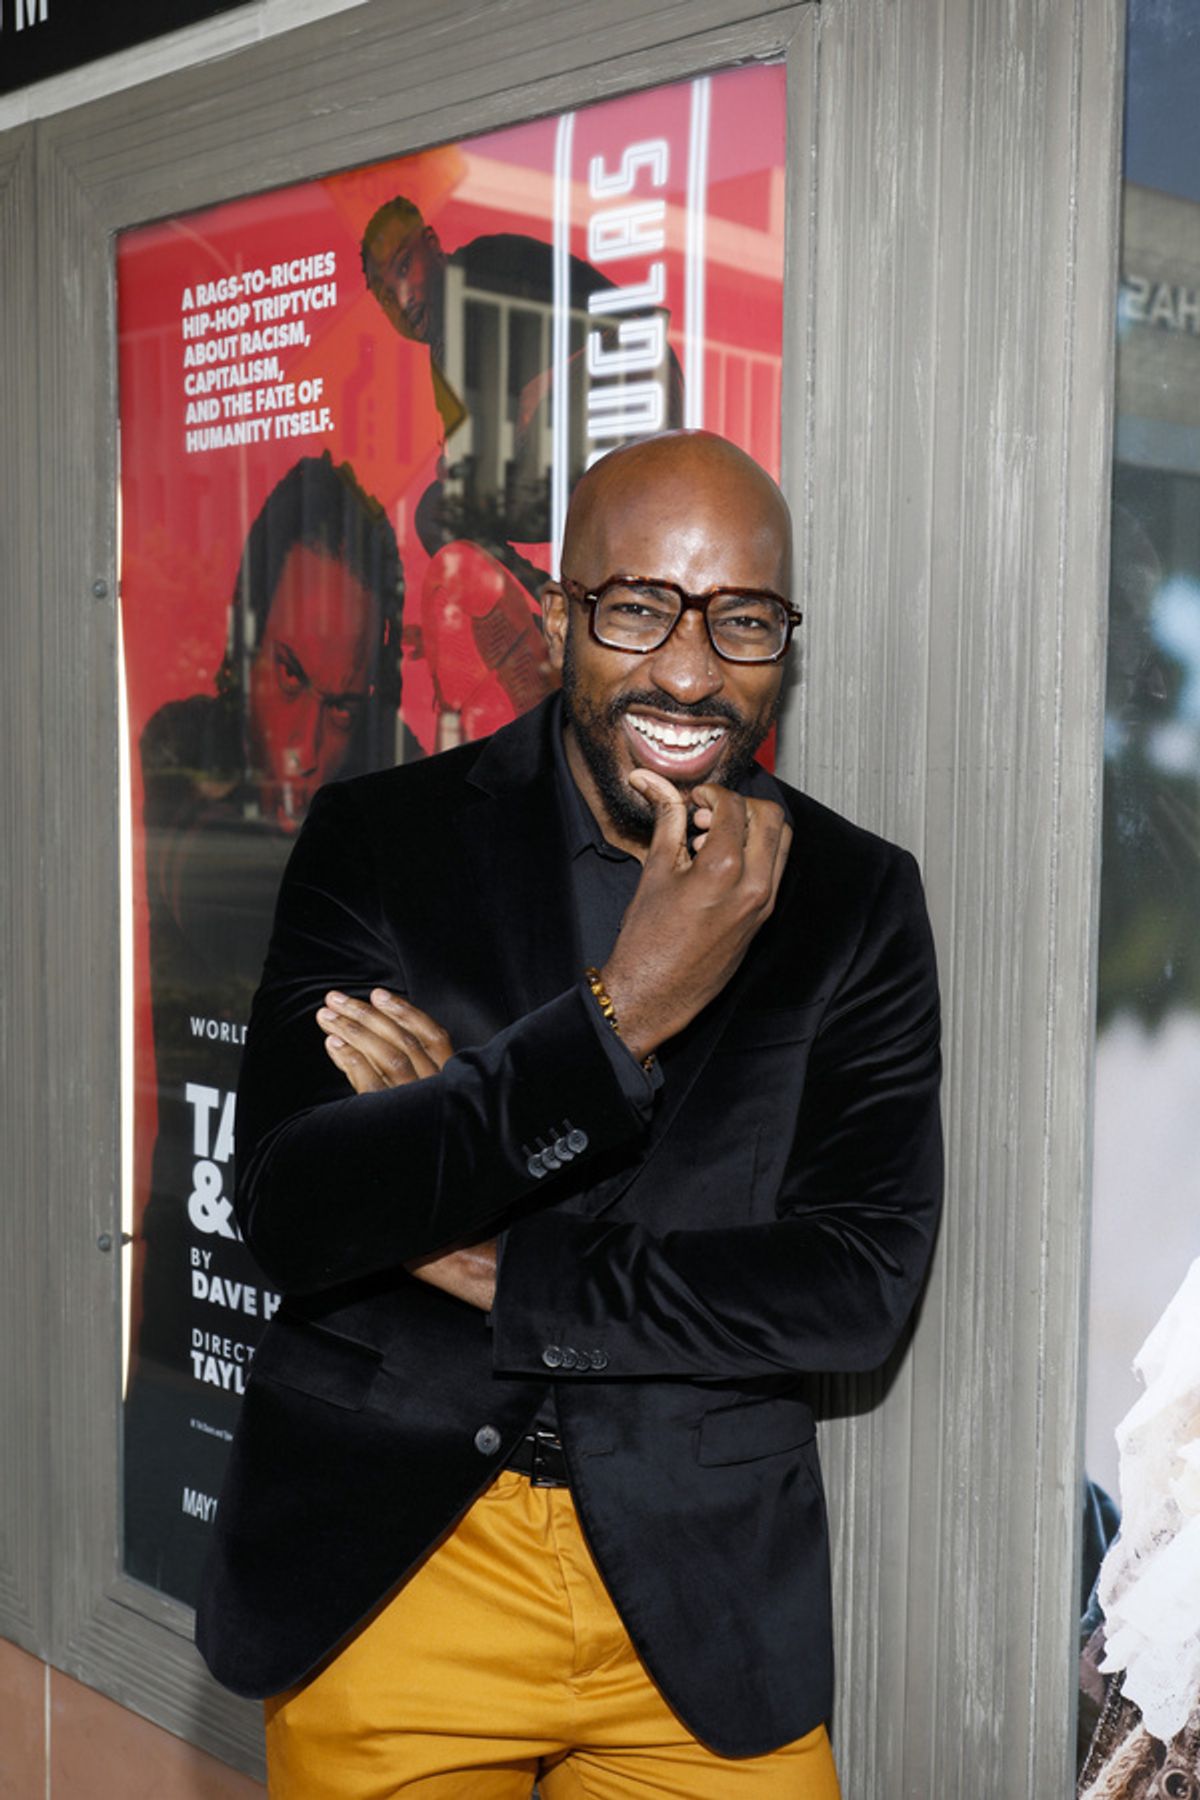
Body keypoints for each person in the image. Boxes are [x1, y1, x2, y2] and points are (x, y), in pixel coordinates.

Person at [196, 430, 944, 1796]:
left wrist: (483, 1242)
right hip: (396, 1565)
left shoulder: (857, 899)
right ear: (556, 620)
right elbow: (301, 1210)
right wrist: (622, 1017)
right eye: (639, 605)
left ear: (788, 640)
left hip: (706, 1591)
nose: (690, 668)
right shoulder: (383, 839)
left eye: (745, 619)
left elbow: (855, 1286)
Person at [123, 453, 406, 1604]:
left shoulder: (391, 806)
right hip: (196, 1299)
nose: (307, 743)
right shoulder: (180, 747)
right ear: (247, 639)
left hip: (344, 1335)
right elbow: (216, 895)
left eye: (342, 705)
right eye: (290, 677)